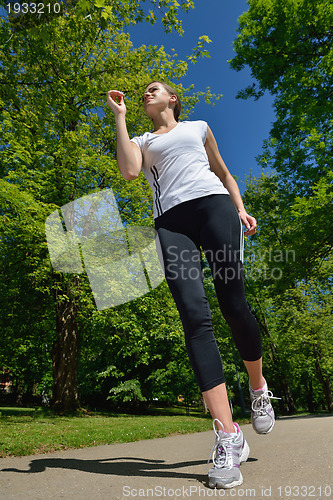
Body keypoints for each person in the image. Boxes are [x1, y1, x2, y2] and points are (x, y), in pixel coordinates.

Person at [106, 81, 279, 489]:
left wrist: (241, 208)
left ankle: (258, 387)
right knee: (193, 316)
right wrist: (119, 118)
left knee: (233, 306)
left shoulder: (198, 127)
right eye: (144, 92)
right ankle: (228, 435)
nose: (146, 93)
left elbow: (223, 172)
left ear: (173, 99)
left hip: (214, 206)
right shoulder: (141, 140)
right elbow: (130, 171)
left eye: (154, 89)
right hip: (172, 223)